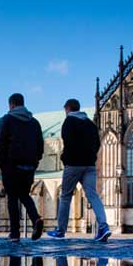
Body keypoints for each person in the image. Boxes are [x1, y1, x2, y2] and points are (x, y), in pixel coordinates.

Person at [47, 99, 112, 242]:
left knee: (65, 196)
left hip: (74, 164)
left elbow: (67, 142)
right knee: (93, 195)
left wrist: (65, 158)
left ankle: (60, 230)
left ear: (68, 109)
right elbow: (97, 144)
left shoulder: (69, 122)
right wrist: (91, 157)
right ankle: (103, 226)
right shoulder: (90, 124)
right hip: (89, 165)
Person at [0, 93, 44, 242]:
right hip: (29, 167)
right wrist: (35, 162)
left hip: (12, 166)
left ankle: (15, 233)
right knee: (24, 195)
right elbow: (40, 146)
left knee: (12, 198)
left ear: (11, 105)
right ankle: (36, 219)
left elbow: (1, 143)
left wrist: (2, 164)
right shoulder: (34, 122)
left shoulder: (8, 119)